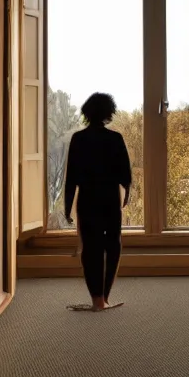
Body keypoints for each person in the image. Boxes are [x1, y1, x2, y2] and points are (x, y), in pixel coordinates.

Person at [64, 92, 131, 311]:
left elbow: (71, 177)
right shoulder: (115, 138)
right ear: (108, 113)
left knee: (90, 247)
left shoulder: (78, 139)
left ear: (87, 112)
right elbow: (125, 175)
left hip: (88, 198)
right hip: (110, 198)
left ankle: (96, 299)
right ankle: (105, 298)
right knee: (113, 246)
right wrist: (127, 194)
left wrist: (67, 207)